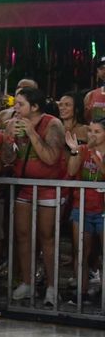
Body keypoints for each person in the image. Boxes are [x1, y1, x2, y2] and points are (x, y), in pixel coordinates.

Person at [8, 87, 67, 307]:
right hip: (24, 186)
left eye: (20, 104)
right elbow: (7, 159)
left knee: (47, 236)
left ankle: (52, 286)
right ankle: (27, 282)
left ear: (34, 107)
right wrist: (8, 137)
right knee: (23, 235)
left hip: (48, 188)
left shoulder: (53, 124)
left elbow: (51, 158)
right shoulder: (14, 122)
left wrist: (32, 133)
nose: (16, 108)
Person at [65, 118, 105, 303]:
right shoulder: (82, 150)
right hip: (81, 207)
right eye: (90, 131)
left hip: (102, 209)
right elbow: (71, 171)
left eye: (97, 131)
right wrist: (75, 150)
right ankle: (81, 293)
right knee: (81, 252)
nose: (92, 135)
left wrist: (97, 159)